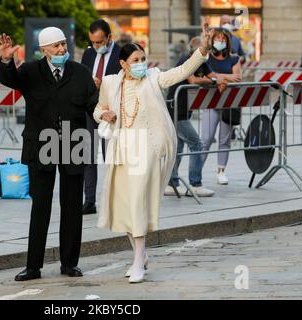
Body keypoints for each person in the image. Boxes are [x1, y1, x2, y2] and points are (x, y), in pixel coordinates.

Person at [93, 24, 213, 283]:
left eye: (143, 59)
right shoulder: (111, 83)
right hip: (120, 148)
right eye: (135, 60)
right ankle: (141, 253)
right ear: (123, 64)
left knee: (137, 200)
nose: (141, 64)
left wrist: (203, 50)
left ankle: (138, 261)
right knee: (123, 204)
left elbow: (181, 71)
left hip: (147, 147)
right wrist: (104, 113)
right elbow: (97, 109)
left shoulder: (154, 77)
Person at [0, 27, 98, 281]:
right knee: (40, 204)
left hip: (73, 143)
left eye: (63, 44)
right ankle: (33, 266)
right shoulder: (31, 71)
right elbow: (9, 80)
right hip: (40, 144)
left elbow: (93, 103)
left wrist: (103, 115)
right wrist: (7, 59)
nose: (62, 49)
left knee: (72, 205)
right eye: (55, 46)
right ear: (44, 50)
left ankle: (69, 263)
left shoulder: (81, 73)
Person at [164, 36, 228, 198]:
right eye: (205, 48)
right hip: (175, 110)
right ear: (195, 49)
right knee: (196, 144)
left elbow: (213, 75)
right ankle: (195, 183)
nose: (208, 52)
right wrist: (213, 81)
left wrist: (220, 79)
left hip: (184, 110)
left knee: (178, 148)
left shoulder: (203, 60)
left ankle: (171, 183)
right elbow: (192, 80)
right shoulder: (187, 59)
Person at [81, 19, 121, 215]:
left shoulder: (122, 53)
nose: (96, 46)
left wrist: (102, 84)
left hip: (111, 113)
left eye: (99, 42)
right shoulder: (88, 54)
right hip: (90, 110)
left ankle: (112, 201)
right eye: (93, 42)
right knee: (88, 157)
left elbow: (126, 82)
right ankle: (89, 201)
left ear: (109, 38)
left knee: (110, 157)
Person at [201, 28, 242, 185]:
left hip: (228, 104)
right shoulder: (207, 58)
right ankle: (197, 171)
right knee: (206, 138)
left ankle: (221, 171)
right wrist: (226, 77)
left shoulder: (233, 58)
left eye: (223, 38)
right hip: (210, 103)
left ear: (228, 41)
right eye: (217, 38)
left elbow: (237, 77)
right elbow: (204, 75)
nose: (220, 41)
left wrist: (218, 78)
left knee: (224, 139)